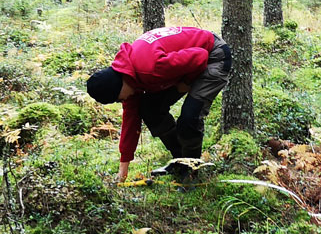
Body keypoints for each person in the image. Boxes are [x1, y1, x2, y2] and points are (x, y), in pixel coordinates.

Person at [86, 26, 231, 181]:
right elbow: (130, 122)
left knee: (190, 117)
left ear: (118, 87)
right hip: (188, 61)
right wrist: (123, 169)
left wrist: (186, 82)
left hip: (214, 55)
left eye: (117, 99)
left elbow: (200, 56)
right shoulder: (128, 75)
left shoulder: (150, 68)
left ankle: (191, 170)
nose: (120, 101)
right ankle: (180, 161)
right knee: (149, 108)